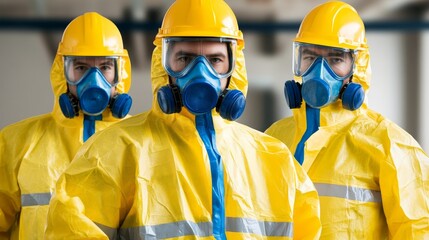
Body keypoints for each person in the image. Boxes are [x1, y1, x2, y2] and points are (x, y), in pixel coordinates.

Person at [45, 0, 321, 239]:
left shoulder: (274, 159)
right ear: (162, 63)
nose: (199, 72)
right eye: (185, 58)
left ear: (233, 68)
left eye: (214, 61)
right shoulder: (113, 151)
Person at [265, 1, 429, 239]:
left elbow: (419, 231)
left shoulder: (391, 146)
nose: (319, 71)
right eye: (310, 56)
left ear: (357, 66)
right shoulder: (273, 140)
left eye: (335, 60)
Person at [0, 12, 133, 239]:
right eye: (81, 68)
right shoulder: (16, 142)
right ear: (63, 72)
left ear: (120, 73)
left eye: (104, 67)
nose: (94, 80)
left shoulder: (138, 143)